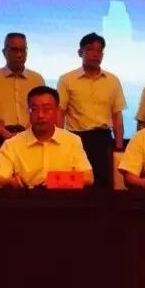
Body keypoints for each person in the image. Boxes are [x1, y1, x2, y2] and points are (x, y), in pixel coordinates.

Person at [0, 86, 94, 188]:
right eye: (34, 109)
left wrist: (56, 181)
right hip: (27, 197)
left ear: (57, 110)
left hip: (62, 198)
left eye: (47, 109)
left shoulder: (72, 140)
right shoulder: (12, 144)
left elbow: (88, 178)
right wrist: (10, 181)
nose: (40, 115)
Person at [59, 32, 126, 189]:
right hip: (77, 139)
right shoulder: (67, 79)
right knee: (77, 184)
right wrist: (60, 142)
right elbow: (60, 113)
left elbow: (117, 116)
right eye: (90, 49)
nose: (95, 54)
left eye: (99, 50)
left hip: (103, 139)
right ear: (80, 52)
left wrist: (119, 147)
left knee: (104, 184)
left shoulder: (112, 80)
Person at [0, 33, 45, 158]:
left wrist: (25, 134)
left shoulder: (37, 79)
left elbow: (42, 111)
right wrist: (6, 135)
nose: (19, 54)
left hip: (32, 140)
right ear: (4, 52)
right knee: (1, 171)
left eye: (23, 50)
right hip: (1, 141)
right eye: (14, 50)